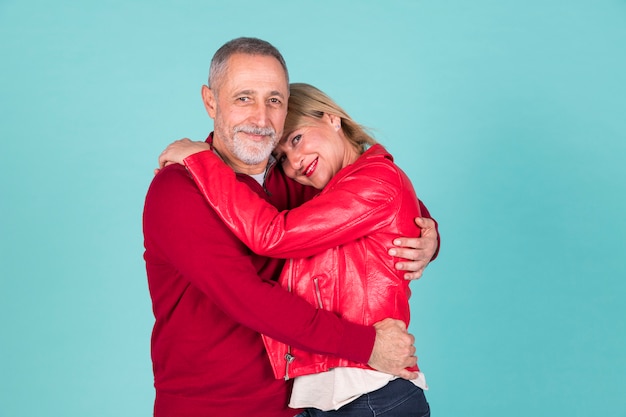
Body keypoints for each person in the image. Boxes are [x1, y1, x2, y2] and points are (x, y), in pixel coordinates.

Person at [143, 37, 439, 417]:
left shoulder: (295, 180)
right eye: (244, 97)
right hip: (210, 408)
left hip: (302, 408)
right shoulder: (178, 190)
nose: (260, 117)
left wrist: (428, 233)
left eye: (274, 100)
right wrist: (367, 345)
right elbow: (250, 299)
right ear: (211, 101)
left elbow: (376, 194)